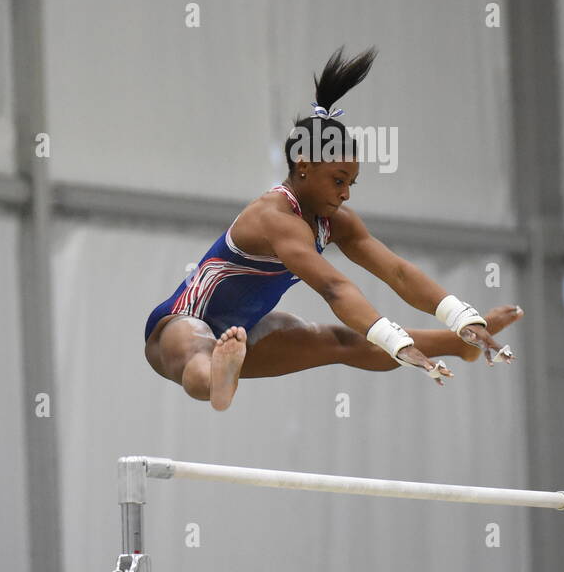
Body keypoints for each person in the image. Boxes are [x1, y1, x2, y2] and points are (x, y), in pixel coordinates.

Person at [142, 45, 521, 410]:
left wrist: (461, 317)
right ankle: (215, 382)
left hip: (249, 331)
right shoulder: (273, 219)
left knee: (344, 342)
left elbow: (399, 272)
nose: (345, 195)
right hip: (177, 325)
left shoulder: (335, 224)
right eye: (338, 180)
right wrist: (395, 341)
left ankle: (460, 345)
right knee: (197, 347)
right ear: (304, 166)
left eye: (350, 184)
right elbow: (334, 287)